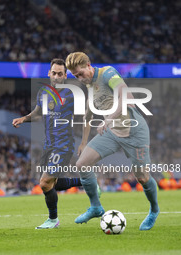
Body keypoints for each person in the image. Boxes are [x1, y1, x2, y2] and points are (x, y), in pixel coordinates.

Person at [65, 52, 159, 230]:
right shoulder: (89, 84)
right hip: (112, 133)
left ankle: (154, 210)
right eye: (75, 76)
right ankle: (95, 207)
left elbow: (128, 98)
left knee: (143, 177)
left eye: (80, 73)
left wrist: (109, 119)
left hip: (134, 131)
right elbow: (88, 113)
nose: (79, 78)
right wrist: (84, 142)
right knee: (82, 163)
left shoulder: (107, 74)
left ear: (88, 65)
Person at [12, 58, 83, 229]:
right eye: (54, 73)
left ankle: (53, 220)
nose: (57, 76)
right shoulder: (43, 92)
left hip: (63, 145)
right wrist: (24, 118)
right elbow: (37, 114)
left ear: (66, 75)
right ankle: (86, 181)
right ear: (49, 73)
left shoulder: (72, 93)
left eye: (60, 73)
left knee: (44, 183)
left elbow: (86, 115)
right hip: (49, 145)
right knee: (53, 184)